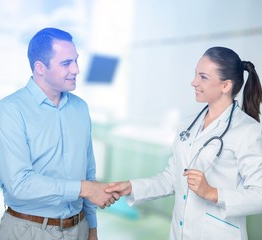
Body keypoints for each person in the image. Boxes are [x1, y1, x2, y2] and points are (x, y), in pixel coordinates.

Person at [106, 46, 262, 240]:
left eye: (203, 77)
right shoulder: (188, 124)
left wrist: (213, 193)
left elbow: (259, 195)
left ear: (226, 85)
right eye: (195, 75)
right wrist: (131, 187)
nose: (193, 82)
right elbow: (172, 178)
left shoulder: (247, 131)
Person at [0, 27, 117, 240]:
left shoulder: (80, 108)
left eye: (76, 60)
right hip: (28, 230)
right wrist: (84, 188)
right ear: (40, 67)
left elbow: (88, 172)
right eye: (66, 63)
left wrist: (92, 228)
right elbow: (19, 184)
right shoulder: (9, 110)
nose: (76, 69)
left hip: (79, 228)